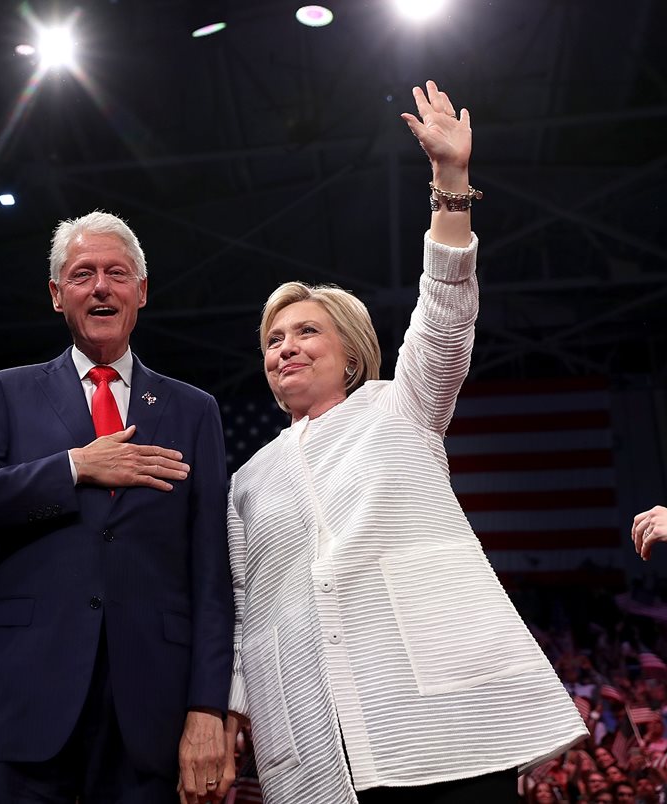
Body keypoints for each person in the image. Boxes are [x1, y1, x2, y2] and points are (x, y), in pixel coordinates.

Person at [222, 80, 587, 802]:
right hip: (318, 740)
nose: (284, 348)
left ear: (352, 354)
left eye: (305, 332)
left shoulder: (401, 406)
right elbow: (243, 607)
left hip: (437, 723)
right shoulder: (248, 479)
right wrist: (231, 712)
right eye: (272, 340)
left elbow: (445, 313)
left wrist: (451, 184)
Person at [0, 211, 234, 803]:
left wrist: (206, 707)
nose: (101, 287)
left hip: (150, 714)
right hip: (21, 704)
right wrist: (73, 468)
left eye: (117, 273)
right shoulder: (5, 392)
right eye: (82, 274)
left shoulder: (195, 411)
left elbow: (211, 576)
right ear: (56, 294)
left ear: (140, 292)